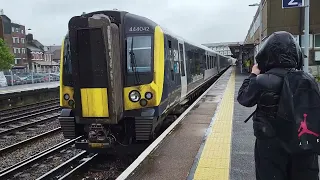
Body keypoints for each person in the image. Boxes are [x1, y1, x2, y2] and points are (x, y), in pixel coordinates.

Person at [237, 31, 319, 180]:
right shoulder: (309, 80)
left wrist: (253, 75)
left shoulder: (261, 80)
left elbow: (243, 98)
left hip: (270, 145)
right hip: (303, 143)